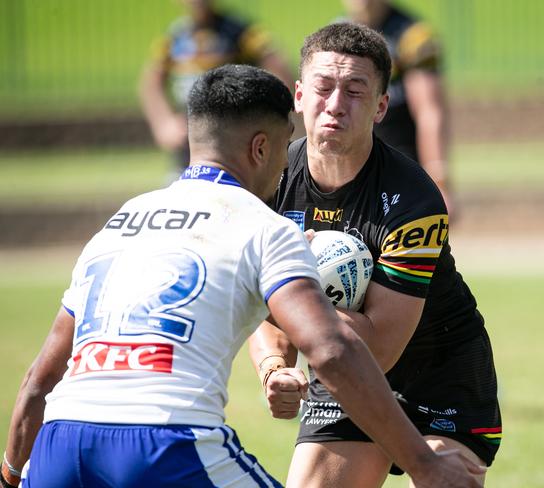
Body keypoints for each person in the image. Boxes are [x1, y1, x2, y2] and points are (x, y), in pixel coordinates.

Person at [1, 65, 484, 488]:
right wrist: (423, 464)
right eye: (282, 149)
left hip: (57, 445)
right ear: (261, 148)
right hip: (166, 443)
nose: (286, 166)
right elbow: (333, 351)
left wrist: (9, 473)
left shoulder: (120, 222)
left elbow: (37, 383)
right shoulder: (263, 226)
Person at [248, 23, 501, 488]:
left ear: (382, 106)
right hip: (342, 368)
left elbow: (379, 348)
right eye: (323, 88)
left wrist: (292, 283)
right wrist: (274, 367)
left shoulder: (413, 201)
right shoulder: (270, 185)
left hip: (439, 374)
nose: (336, 104)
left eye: (355, 91)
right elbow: (264, 307)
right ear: (299, 95)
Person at [139, 0, 294, 177]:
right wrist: (164, 123)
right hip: (187, 138)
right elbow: (152, 82)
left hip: (230, 136)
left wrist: (267, 117)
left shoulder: (240, 32)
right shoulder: (175, 36)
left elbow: (278, 68)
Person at [340, 0, 454, 216]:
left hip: (400, 168)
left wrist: (439, 181)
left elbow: (429, 113)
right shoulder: (338, 31)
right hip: (353, 171)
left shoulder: (414, 37)